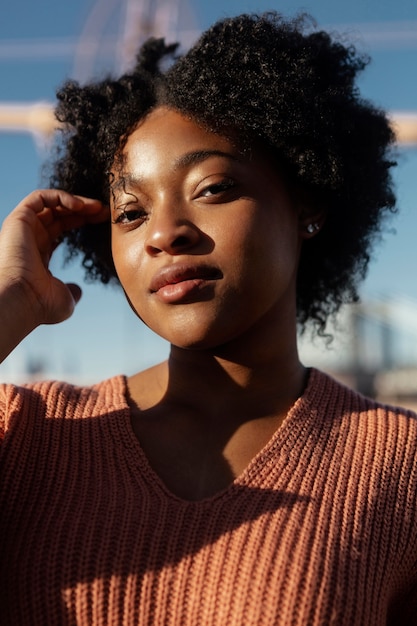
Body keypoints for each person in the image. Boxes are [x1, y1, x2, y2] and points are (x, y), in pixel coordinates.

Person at [0, 12, 416, 626]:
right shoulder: (27, 436)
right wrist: (9, 300)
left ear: (308, 201)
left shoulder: (399, 467)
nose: (166, 233)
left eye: (213, 187)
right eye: (131, 213)